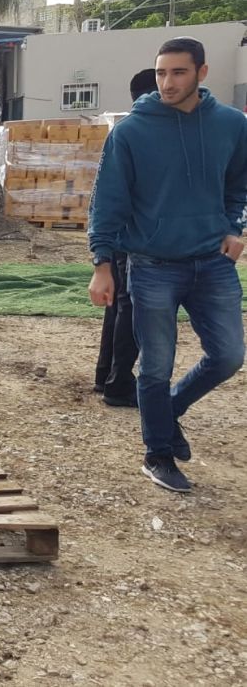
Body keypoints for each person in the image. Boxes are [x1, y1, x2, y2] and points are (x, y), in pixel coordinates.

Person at [88, 38, 247, 493]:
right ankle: (157, 454)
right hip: (152, 264)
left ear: (202, 72)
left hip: (212, 262)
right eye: (161, 73)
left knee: (229, 356)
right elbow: (107, 201)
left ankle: (168, 410)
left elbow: (238, 182)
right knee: (156, 366)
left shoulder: (231, 124)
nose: (167, 82)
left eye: (178, 72)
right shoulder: (131, 132)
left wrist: (233, 227)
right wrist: (102, 263)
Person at [92, 68, 159, 407]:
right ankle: (118, 383)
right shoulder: (141, 133)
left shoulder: (127, 131)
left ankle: (106, 375)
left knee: (118, 306)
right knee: (128, 306)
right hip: (134, 235)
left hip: (120, 233)